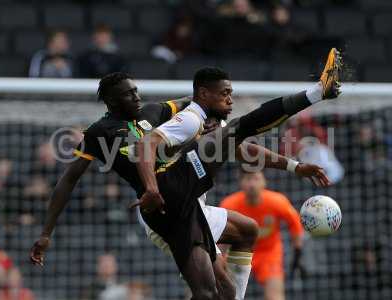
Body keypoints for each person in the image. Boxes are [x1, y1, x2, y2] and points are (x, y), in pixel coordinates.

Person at [31, 48, 341, 299]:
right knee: (237, 129)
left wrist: (293, 165)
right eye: (129, 94)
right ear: (112, 101)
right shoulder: (99, 133)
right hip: (162, 200)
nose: (137, 97)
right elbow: (69, 179)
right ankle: (317, 91)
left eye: (137, 90)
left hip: (187, 200)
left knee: (224, 281)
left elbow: (229, 143)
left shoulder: (155, 112)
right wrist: (46, 233)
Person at [132, 48, 341, 299]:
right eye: (224, 94)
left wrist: (294, 166)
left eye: (231, 93)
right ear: (204, 94)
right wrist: (151, 187)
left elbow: (244, 150)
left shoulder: (213, 124)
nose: (230, 100)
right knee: (212, 292)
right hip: (171, 211)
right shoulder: (190, 119)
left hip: (192, 209)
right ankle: (317, 92)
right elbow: (145, 143)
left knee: (244, 238)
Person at [220, 171, 304, 300]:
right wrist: (220, 258)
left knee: (274, 296)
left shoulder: (277, 201)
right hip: (237, 252)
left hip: (269, 253)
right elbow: (222, 234)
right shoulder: (229, 205)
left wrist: (298, 252)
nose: (252, 184)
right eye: (248, 179)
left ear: (264, 182)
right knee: (228, 294)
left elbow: (295, 223)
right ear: (240, 183)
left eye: (256, 179)